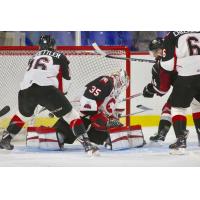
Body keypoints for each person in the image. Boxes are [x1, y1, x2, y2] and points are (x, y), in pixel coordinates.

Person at [0, 35, 99, 156]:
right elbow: (66, 78)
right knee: (71, 115)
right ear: (53, 45)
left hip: (25, 90)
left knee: (22, 115)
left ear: (40, 46)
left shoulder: (33, 57)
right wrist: (62, 93)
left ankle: (6, 138)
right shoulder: (60, 56)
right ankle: (87, 144)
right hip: (47, 90)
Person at [144, 32, 200, 154]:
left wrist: (151, 89)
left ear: (163, 49)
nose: (156, 54)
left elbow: (162, 88)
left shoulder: (170, 38)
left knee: (176, 107)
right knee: (196, 104)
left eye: (158, 50)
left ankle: (179, 141)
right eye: (154, 52)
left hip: (187, 78)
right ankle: (161, 133)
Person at [52, 69, 129, 149]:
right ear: (119, 80)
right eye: (122, 85)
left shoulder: (113, 94)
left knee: (106, 135)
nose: (121, 88)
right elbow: (87, 103)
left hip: (90, 119)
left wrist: (111, 121)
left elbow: (104, 112)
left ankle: (110, 139)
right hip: (79, 113)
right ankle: (57, 135)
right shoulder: (107, 81)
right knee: (63, 133)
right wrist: (105, 121)